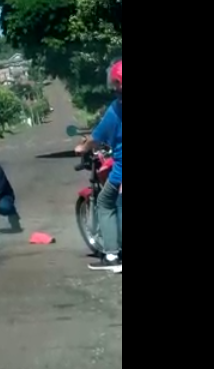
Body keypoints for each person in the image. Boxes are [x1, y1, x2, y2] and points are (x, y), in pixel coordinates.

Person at [75, 59, 122, 273]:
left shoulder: (115, 110)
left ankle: (112, 255)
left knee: (105, 202)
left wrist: (82, 148)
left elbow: (95, 138)